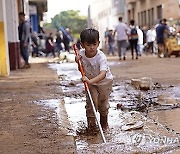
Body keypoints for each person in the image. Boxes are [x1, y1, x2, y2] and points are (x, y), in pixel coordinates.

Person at [75, 28, 113, 132]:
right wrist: (77, 61)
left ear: (98, 43)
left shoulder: (101, 57)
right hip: (90, 82)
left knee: (102, 103)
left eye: (94, 44)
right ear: (82, 44)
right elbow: (81, 68)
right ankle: (91, 126)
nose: (92, 47)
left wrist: (90, 81)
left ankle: (104, 125)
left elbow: (103, 74)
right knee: (91, 103)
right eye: (88, 45)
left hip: (104, 83)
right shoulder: (81, 54)